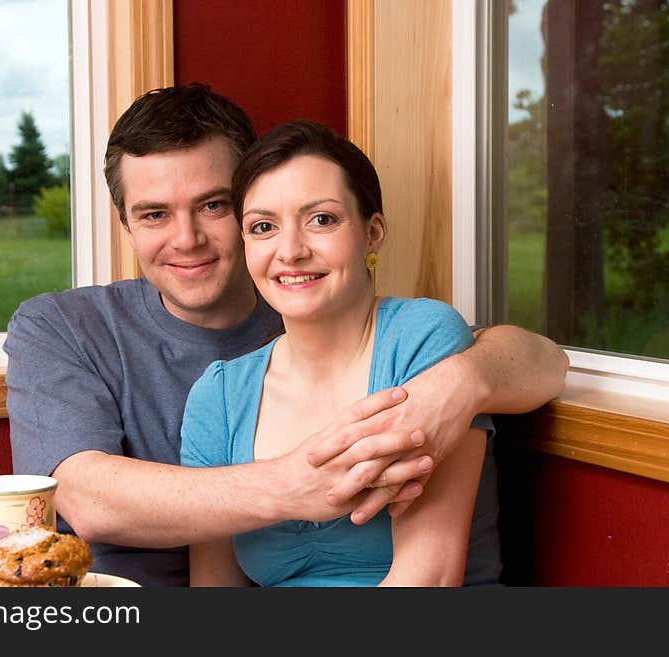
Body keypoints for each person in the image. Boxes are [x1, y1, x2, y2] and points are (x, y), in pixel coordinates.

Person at [4, 83, 569, 587]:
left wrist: (467, 378)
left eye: (214, 206)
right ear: (125, 225)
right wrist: (294, 484)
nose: (187, 239)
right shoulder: (85, 336)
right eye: (154, 214)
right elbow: (87, 500)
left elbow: (539, 361)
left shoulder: (352, 318)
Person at [180, 120, 497, 586]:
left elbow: (429, 578)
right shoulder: (220, 395)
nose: (290, 251)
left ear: (373, 233)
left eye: (322, 219)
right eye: (263, 227)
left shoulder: (421, 340)